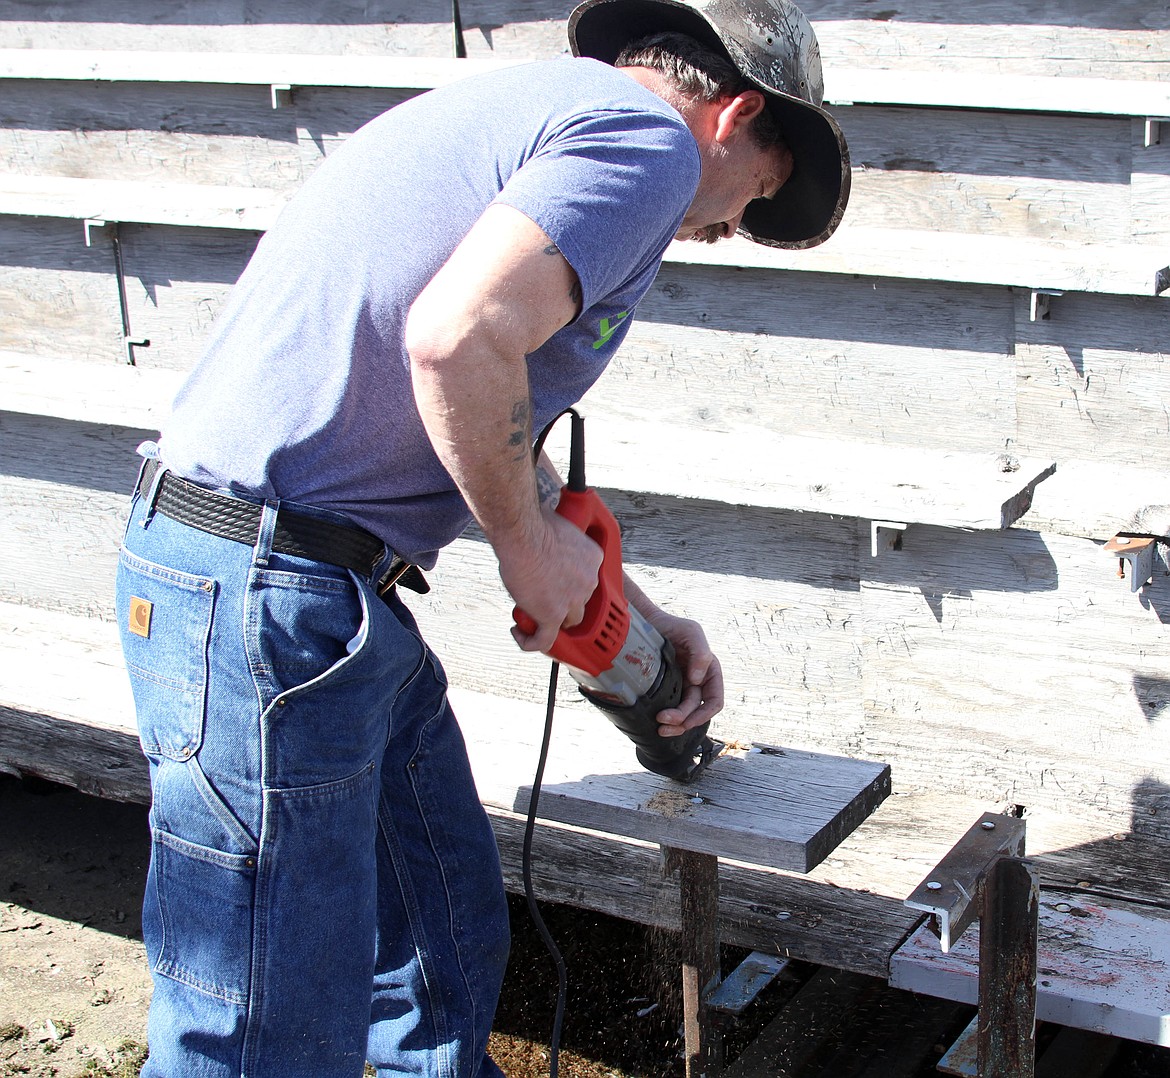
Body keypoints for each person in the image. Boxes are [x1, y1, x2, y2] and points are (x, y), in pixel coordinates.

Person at [113, 0, 850, 1074]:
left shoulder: (530, 110)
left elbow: (479, 398)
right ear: (733, 115)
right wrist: (526, 551)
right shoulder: (644, 139)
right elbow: (458, 343)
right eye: (755, 198)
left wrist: (633, 613)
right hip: (266, 598)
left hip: (316, 597)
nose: (726, 228)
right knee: (265, 1027)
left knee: (441, 934)